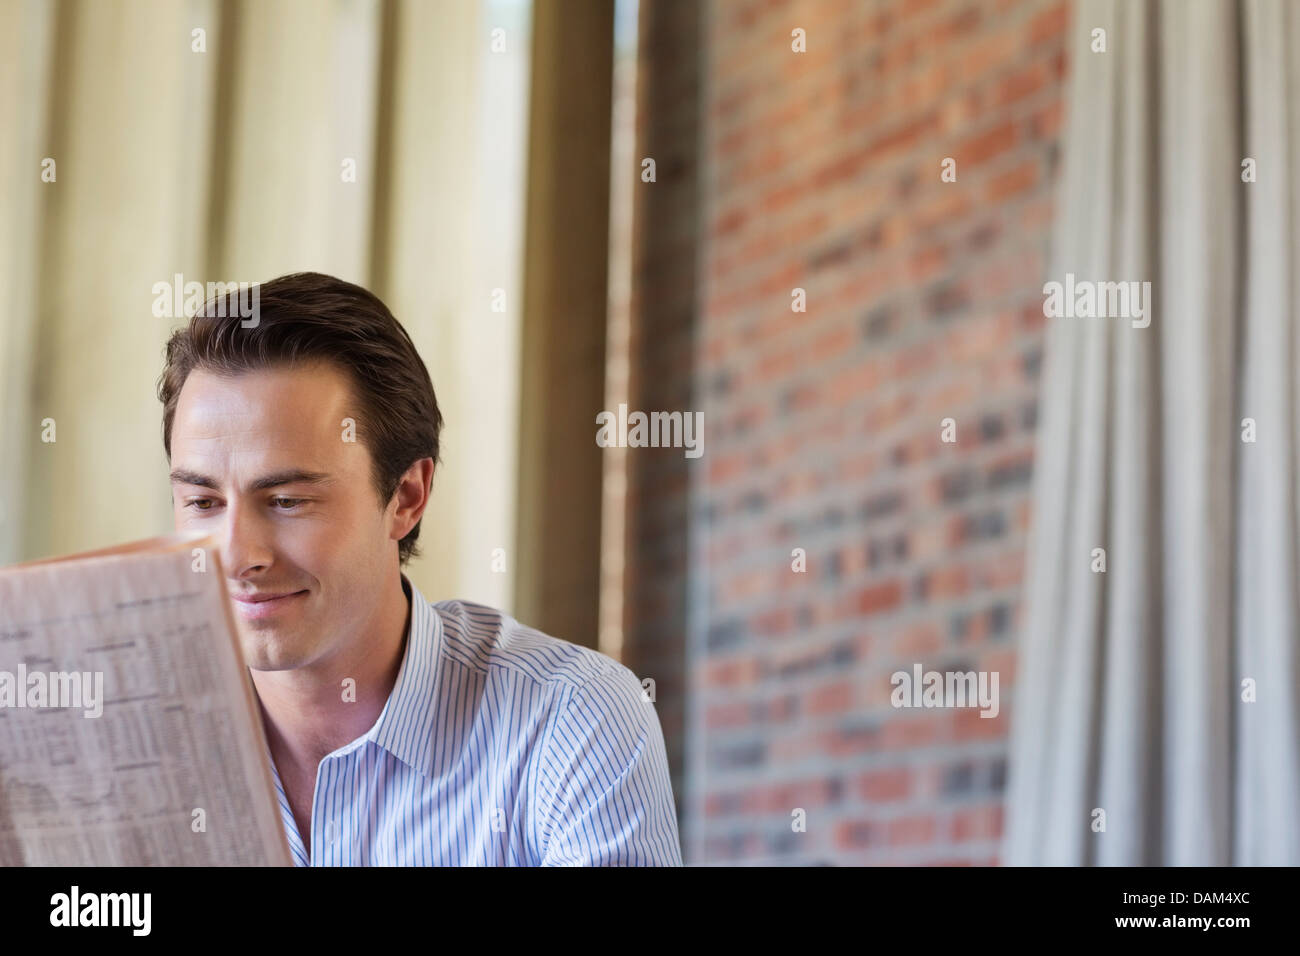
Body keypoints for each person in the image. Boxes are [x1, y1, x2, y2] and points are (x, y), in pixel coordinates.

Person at [158, 271, 682, 866]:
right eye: (203, 503)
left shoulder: (568, 723)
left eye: (288, 501)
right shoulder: (133, 740)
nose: (238, 554)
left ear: (406, 496)